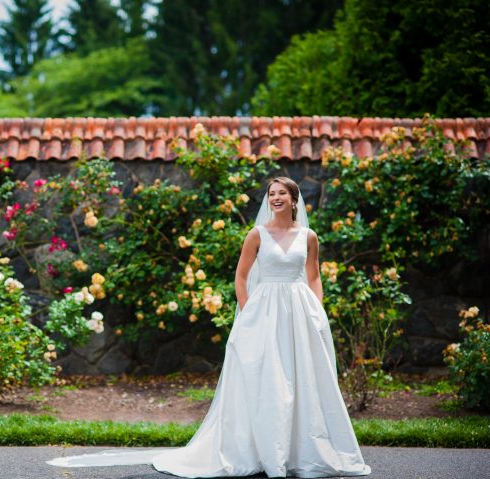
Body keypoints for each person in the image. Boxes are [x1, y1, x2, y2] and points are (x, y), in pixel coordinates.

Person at [47, 177, 371, 478]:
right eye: (271, 194)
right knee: (267, 378)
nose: (275, 198)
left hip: (300, 313)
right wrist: (248, 313)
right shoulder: (256, 235)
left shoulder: (308, 237)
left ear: (294, 199)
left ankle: (300, 451)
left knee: (301, 379)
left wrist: (318, 310)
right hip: (264, 311)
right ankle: (264, 450)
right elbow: (241, 277)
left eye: (281, 194)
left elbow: (313, 276)